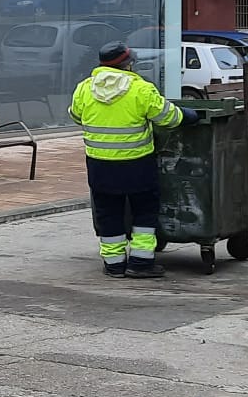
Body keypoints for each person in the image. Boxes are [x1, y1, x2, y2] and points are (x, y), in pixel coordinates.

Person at [68, 41, 185, 279]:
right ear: (128, 64)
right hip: (136, 164)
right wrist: (186, 115)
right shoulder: (140, 89)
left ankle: (114, 264)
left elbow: (75, 115)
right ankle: (141, 263)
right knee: (144, 210)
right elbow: (168, 118)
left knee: (108, 212)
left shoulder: (84, 88)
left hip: (99, 164)